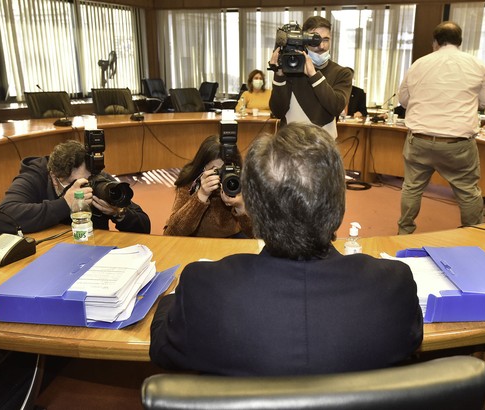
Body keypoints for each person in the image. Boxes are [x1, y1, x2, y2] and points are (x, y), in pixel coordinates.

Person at [150, 123, 423, 376]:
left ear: (253, 209)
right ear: (340, 208)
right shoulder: (395, 285)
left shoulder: (203, 287)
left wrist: (172, 297)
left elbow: (162, 347)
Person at [396, 21, 485, 235]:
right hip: (457, 144)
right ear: (460, 41)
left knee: (412, 188)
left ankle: (404, 232)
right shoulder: (479, 66)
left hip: (419, 141)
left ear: (435, 42)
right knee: (468, 192)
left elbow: (403, 100)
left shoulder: (418, 64)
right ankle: (474, 235)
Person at [0, 140, 150, 235]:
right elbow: (2, 218)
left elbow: (144, 227)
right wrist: (65, 204)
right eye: (75, 183)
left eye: (87, 181)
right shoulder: (36, 175)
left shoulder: (97, 179)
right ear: (54, 178)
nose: (85, 187)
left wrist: (119, 213)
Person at [269, 16, 352, 139]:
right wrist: (279, 74)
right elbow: (278, 111)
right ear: (303, 40)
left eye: (326, 40)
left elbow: (336, 107)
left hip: (324, 146)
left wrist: (313, 74)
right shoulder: (290, 68)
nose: (322, 46)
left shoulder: (342, 73)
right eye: (315, 40)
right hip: (290, 144)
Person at [163, 135, 253, 238]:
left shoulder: (242, 181)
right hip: (196, 240)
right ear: (204, 167)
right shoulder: (191, 181)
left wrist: (241, 206)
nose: (222, 176)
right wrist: (201, 195)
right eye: (216, 170)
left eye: (227, 170)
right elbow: (172, 233)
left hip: (233, 240)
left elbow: (258, 236)